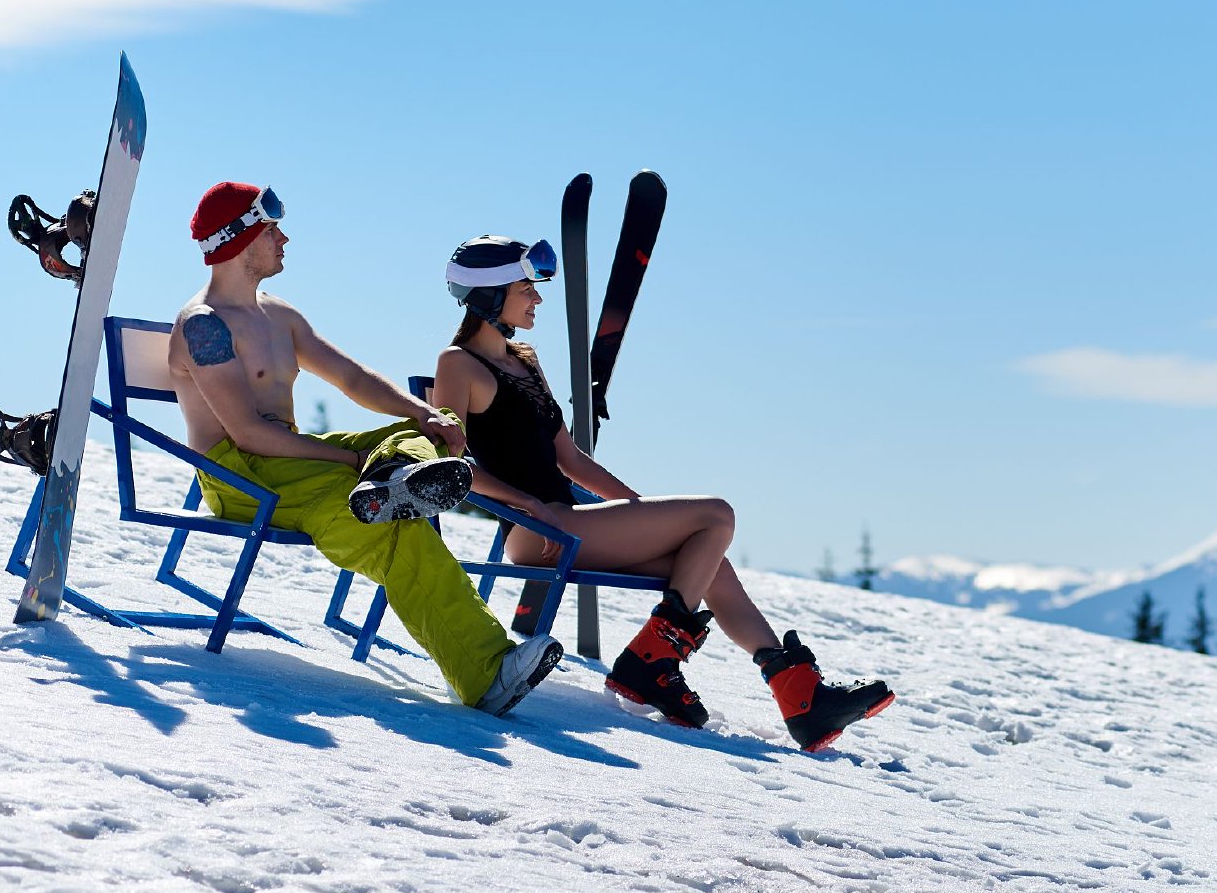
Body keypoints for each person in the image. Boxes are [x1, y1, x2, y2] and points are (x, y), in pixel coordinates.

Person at [431, 235, 894, 751]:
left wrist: (634, 507)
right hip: (535, 530)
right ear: (490, 295)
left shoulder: (526, 360)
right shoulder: (458, 365)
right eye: (526, 288)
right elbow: (451, 462)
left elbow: (569, 459)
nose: (537, 298)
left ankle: (802, 700)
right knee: (717, 514)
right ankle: (649, 664)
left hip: (574, 521)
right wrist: (532, 506)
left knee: (710, 561)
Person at [169, 184, 561, 716]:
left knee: (421, 432)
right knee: (393, 527)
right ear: (241, 237)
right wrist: (355, 461)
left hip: (294, 466)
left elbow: (351, 377)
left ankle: (396, 479)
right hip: (244, 477)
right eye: (272, 230)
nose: (284, 239)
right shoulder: (204, 326)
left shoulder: (278, 315)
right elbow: (249, 435)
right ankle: (486, 670)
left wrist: (420, 412)